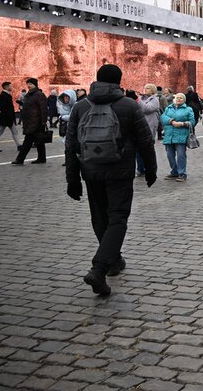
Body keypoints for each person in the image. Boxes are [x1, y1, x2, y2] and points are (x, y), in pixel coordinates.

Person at [64, 64, 157, 296]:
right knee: (118, 218)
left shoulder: (80, 106)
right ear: (119, 81)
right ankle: (100, 268)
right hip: (120, 171)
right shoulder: (129, 105)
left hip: (90, 170)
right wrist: (151, 169)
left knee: (99, 217)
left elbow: (71, 144)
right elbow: (145, 140)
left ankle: (114, 260)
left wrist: (72, 179)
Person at [12, 78, 48, 165]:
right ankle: (42, 158)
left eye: (31, 84)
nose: (29, 85)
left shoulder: (39, 94)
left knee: (28, 141)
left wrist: (43, 122)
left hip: (36, 122)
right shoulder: (28, 95)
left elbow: (43, 109)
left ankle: (20, 159)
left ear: (35, 85)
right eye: (28, 84)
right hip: (30, 121)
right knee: (39, 141)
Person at [161, 93, 195, 182]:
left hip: (181, 135)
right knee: (170, 155)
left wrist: (182, 124)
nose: (178, 99)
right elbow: (162, 117)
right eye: (177, 98)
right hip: (169, 135)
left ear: (184, 100)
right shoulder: (168, 108)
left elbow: (192, 122)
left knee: (181, 155)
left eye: (181, 98)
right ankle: (174, 171)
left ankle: (182, 173)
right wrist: (171, 121)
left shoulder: (188, 109)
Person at [0, 82, 21, 152]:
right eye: (10, 86)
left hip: (7, 117)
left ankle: (19, 145)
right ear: (6, 87)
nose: (11, 87)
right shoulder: (3, 95)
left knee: (12, 131)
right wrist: (9, 115)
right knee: (0, 132)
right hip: (6, 117)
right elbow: (1, 107)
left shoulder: (6, 95)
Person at [137, 84, 161, 175]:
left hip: (149, 128)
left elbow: (146, 109)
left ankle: (150, 169)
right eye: (145, 88)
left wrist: (137, 100)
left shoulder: (155, 100)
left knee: (148, 151)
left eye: (148, 88)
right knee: (138, 150)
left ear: (152, 90)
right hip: (139, 127)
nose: (145, 89)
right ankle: (140, 169)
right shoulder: (142, 98)